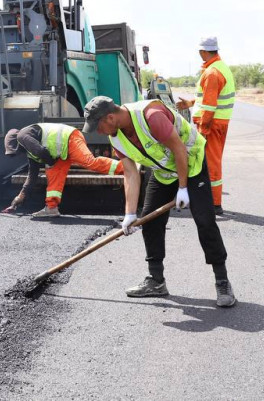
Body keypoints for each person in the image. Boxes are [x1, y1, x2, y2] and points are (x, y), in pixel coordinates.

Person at [84, 95, 236, 306]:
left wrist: (183, 188)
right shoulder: (116, 137)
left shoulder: (151, 116)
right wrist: (129, 214)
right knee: (149, 221)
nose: (97, 132)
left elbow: (179, 149)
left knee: (205, 221)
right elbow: (130, 173)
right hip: (163, 172)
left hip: (191, 164)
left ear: (110, 117)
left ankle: (222, 281)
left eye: (97, 126)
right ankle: (156, 281)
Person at [4, 123, 123, 218]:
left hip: (69, 138)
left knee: (90, 162)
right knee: (53, 174)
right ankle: (51, 208)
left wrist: (51, 162)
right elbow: (32, 176)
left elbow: (41, 152)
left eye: (14, 151)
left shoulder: (22, 136)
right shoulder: (29, 152)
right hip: (61, 150)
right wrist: (20, 197)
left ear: (16, 144)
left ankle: (126, 168)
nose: (17, 155)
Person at [176, 36, 236, 215]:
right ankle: (211, 200)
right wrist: (191, 103)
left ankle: (215, 204)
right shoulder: (219, 68)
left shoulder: (211, 73)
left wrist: (203, 129)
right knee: (211, 161)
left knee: (211, 163)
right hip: (218, 123)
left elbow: (209, 107)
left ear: (203, 52)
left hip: (212, 125)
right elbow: (208, 98)